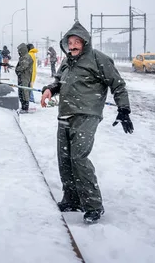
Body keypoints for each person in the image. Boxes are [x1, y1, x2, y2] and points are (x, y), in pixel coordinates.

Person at [40, 22, 133, 224]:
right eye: (69, 42)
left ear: (85, 42)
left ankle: (93, 206)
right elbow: (58, 81)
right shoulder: (67, 61)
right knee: (64, 159)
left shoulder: (99, 59)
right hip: (64, 114)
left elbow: (118, 84)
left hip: (87, 114)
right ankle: (72, 199)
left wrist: (123, 109)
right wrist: (49, 89)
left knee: (79, 158)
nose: (72, 46)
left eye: (76, 42)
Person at [15, 43, 33, 113]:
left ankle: (25, 106)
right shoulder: (23, 57)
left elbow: (23, 66)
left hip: (25, 77)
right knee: (21, 91)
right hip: (22, 76)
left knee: (24, 91)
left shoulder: (26, 57)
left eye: (19, 51)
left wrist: (17, 69)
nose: (19, 53)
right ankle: (23, 106)